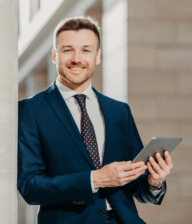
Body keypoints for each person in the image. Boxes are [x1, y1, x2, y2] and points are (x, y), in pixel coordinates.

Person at [17, 17, 173, 224]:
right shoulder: (31, 110)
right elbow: (30, 186)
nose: (77, 59)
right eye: (67, 50)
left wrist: (154, 181)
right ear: (55, 55)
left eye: (86, 50)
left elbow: (137, 186)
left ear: (97, 56)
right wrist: (95, 179)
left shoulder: (119, 111)